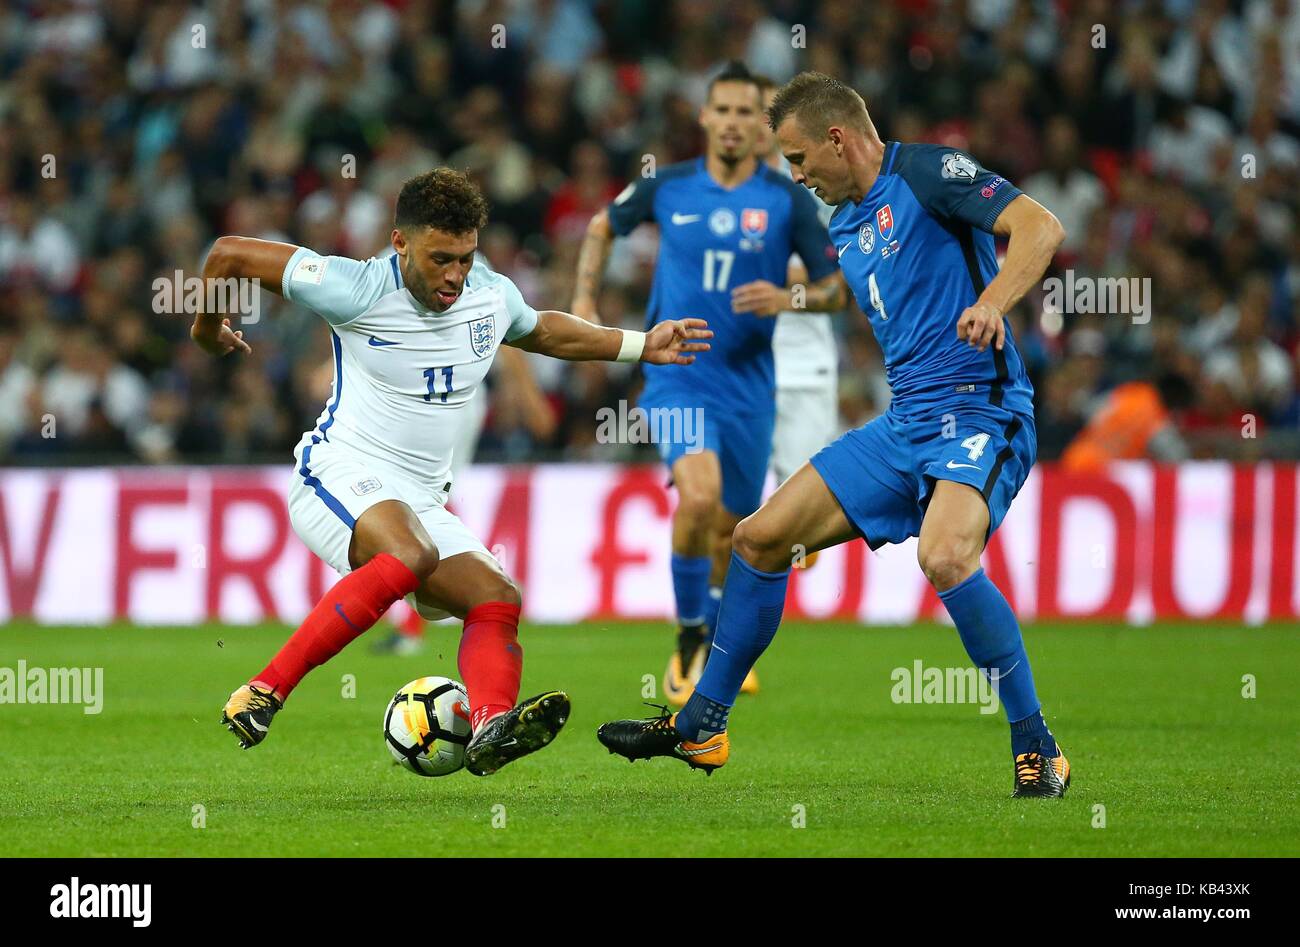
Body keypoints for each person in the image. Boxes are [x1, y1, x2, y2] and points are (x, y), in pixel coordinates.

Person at [598, 72, 1072, 798]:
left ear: (837, 138)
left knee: (943, 556)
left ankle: (1036, 742)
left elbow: (1041, 226)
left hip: (982, 409)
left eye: (796, 158)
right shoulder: (845, 222)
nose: (794, 175)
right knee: (756, 538)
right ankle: (702, 723)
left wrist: (992, 300)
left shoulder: (927, 172)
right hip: (905, 421)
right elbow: (859, 293)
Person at [192, 168, 710, 776]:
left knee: (497, 598)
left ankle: (491, 725)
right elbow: (227, 255)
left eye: (465, 258)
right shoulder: (354, 286)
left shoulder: (489, 293)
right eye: (441, 258)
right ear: (400, 243)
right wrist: (204, 330)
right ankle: (263, 691)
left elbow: (543, 330)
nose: (455, 275)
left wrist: (640, 344)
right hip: (337, 471)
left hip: (420, 501)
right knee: (412, 553)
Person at [572, 61, 844, 706]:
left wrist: (789, 297)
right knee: (698, 499)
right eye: (721, 110)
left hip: (750, 387)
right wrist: (584, 300)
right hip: (678, 376)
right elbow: (599, 226)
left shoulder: (786, 200)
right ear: (704, 117)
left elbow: (837, 290)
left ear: (764, 126)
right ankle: (690, 639)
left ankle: (710, 646)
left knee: (732, 529)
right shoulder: (667, 188)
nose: (732, 123)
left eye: (746, 112)